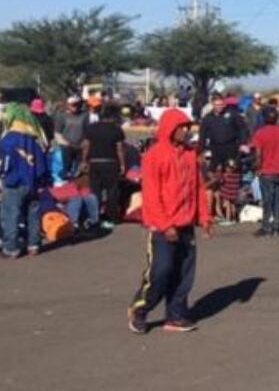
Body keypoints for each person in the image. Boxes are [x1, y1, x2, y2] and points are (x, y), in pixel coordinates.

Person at [129, 109, 212, 335]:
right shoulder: (155, 155)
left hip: (185, 225)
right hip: (161, 226)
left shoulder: (189, 154)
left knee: (184, 273)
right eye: (182, 127)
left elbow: (198, 188)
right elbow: (152, 195)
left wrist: (204, 217)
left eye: (188, 127)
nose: (186, 131)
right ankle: (140, 309)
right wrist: (166, 225)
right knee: (161, 271)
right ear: (170, 129)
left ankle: (175, 315)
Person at [0, 103, 49, 258]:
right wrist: (41, 181)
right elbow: (42, 163)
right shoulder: (35, 140)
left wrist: (3, 174)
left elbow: (7, 161)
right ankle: (33, 245)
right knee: (33, 214)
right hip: (33, 182)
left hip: (15, 182)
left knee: (11, 214)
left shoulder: (8, 139)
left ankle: (11, 248)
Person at [249, 107, 279, 236]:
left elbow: (258, 154)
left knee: (267, 199)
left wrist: (257, 168)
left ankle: (266, 226)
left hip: (266, 170)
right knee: (277, 199)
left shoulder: (260, 133)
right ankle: (277, 226)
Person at [81, 104, 126, 229]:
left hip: (94, 163)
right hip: (111, 163)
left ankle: (95, 218)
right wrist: (122, 164)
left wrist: (84, 161)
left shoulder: (91, 128)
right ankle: (111, 218)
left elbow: (86, 146)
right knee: (112, 192)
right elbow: (120, 149)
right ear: (114, 116)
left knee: (95, 192)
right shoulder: (117, 130)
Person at [54, 95, 88, 177]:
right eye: (73, 104)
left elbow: (88, 131)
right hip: (67, 146)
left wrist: (85, 142)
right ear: (68, 105)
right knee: (66, 169)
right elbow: (57, 132)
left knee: (79, 170)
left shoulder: (85, 115)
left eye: (78, 104)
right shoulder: (62, 116)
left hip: (80, 147)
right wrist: (64, 142)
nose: (75, 106)